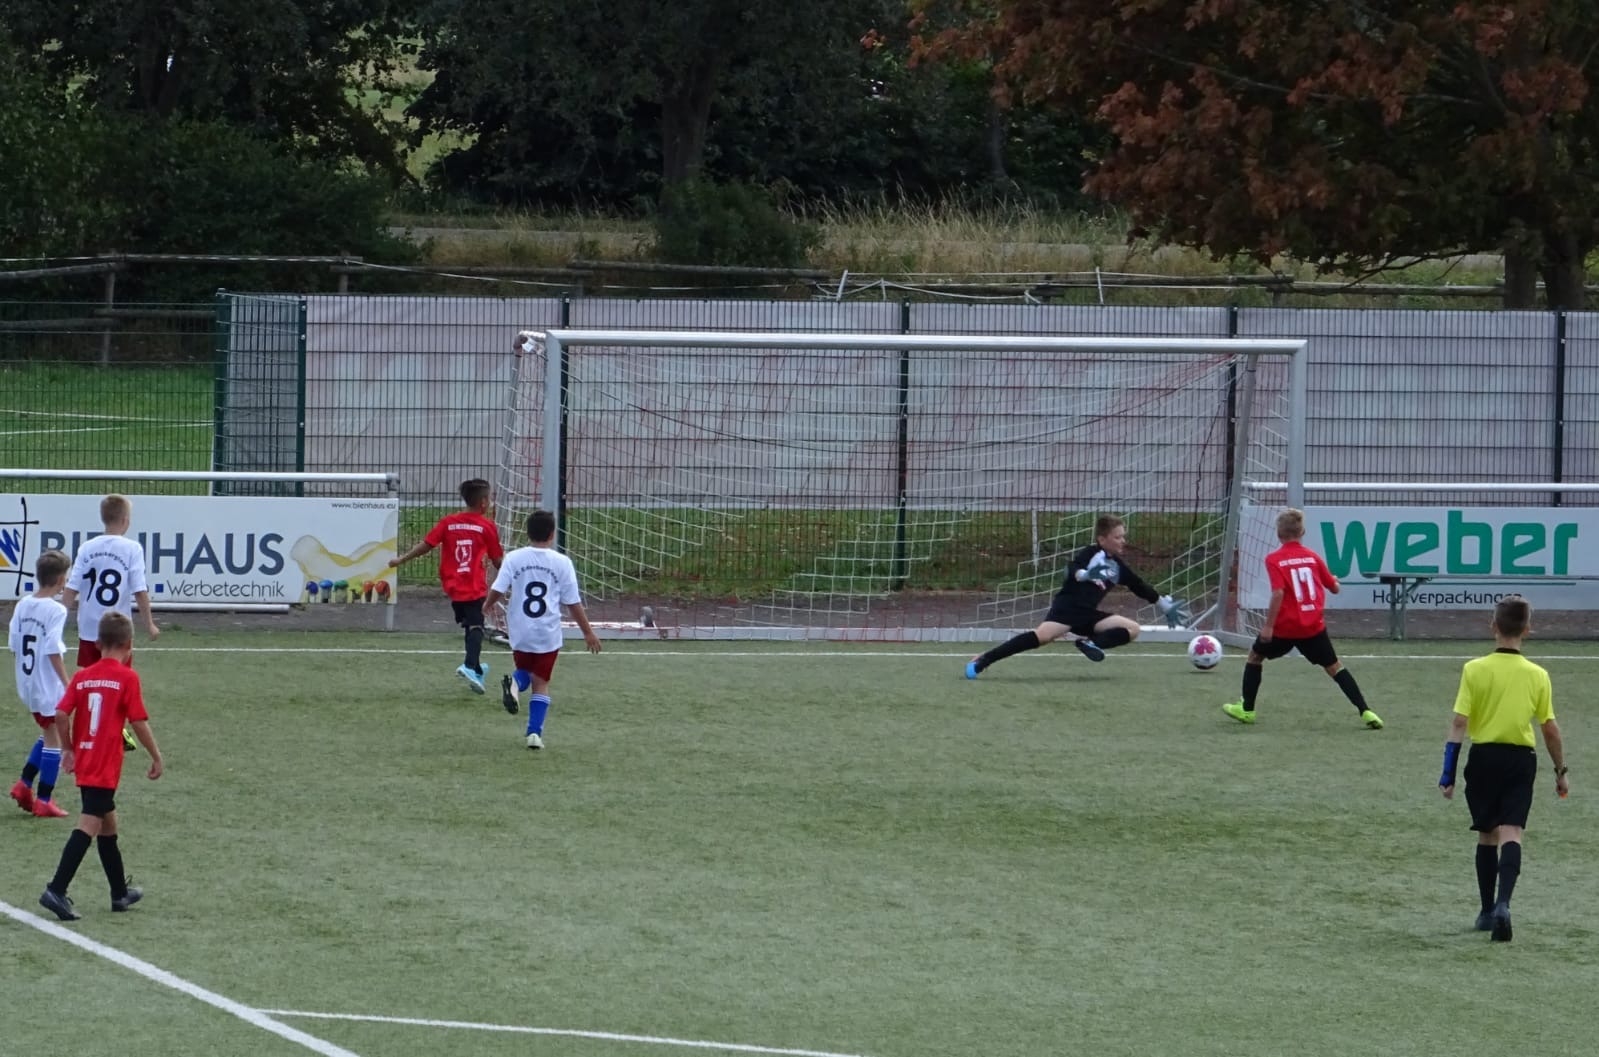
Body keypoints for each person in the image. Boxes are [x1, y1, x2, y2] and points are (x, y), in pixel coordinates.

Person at [1439, 596, 1567, 943]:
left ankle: (1485, 911)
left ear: (1493, 626)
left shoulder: (1474, 669)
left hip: (1483, 758)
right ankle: (1504, 904)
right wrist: (1560, 771)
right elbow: (1550, 729)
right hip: (1520, 760)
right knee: (1512, 832)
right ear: (1528, 630)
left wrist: (1448, 773)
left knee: (1487, 834)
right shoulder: (1538, 675)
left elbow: (1459, 722)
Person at [38, 612, 163, 922]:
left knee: (108, 824)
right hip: (105, 764)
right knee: (89, 825)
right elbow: (138, 721)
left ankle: (119, 893)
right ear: (129, 644)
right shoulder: (127, 677)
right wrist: (156, 756)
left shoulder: (83, 677)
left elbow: (61, 714)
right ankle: (56, 889)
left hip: (86, 759)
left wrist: (68, 748)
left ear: (97, 644)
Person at [965, 514, 1185, 678]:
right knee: (1041, 637)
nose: (1122, 541)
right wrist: (1085, 574)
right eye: (1117, 537)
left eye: (1123, 537)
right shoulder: (1091, 554)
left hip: (1088, 615)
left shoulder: (1117, 566)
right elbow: (1073, 569)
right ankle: (984, 660)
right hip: (1067, 610)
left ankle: (1091, 644)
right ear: (1102, 539)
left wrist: (1163, 605)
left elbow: (1139, 585)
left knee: (1132, 629)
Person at [1221, 507, 1382, 729]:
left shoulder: (1274, 559)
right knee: (1334, 667)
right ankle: (1366, 711)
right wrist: (1334, 580)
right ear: (1302, 532)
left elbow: (1278, 593)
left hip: (1285, 628)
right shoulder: (1312, 557)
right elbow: (1334, 588)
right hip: (1312, 627)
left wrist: (1268, 627)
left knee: (1255, 657)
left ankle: (1247, 709)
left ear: (1278, 534)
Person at [484, 509, 601, 750]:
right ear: (552, 534)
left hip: (519, 630)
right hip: (547, 632)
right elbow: (572, 602)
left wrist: (486, 605)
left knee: (525, 670)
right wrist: (588, 632)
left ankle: (515, 684)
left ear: (528, 533)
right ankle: (534, 734)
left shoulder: (513, 558)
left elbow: (499, 588)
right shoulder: (562, 562)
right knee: (541, 682)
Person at [61, 493, 159, 753]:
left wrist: (58, 619)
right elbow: (140, 589)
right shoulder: (132, 548)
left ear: (104, 518)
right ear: (125, 520)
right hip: (118, 628)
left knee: (88, 680)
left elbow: (72, 587)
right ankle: (115, 730)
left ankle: (89, 730)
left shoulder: (87, 547)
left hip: (89, 627)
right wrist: (149, 623)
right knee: (119, 681)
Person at [389, 478, 505, 695]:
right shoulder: (486, 526)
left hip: (452, 586)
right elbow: (498, 561)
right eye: (489, 498)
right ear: (483, 502)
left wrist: (401, 559)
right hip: (473, 585)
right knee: (477, 627)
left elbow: (426, 545)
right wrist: (514, 575)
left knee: (471, 626)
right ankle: (469, 666)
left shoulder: (448, 522)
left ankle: (477, 670)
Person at [9, 550, 72, 818]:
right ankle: (44, 799)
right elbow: (53, 649)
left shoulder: (23, 604)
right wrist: (67, 684)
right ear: (60, 580)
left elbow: (14, 644)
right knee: (53, 739)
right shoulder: (56, 610)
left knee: (49, 732)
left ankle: (24, 785)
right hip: (47, 685)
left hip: (28, 682)